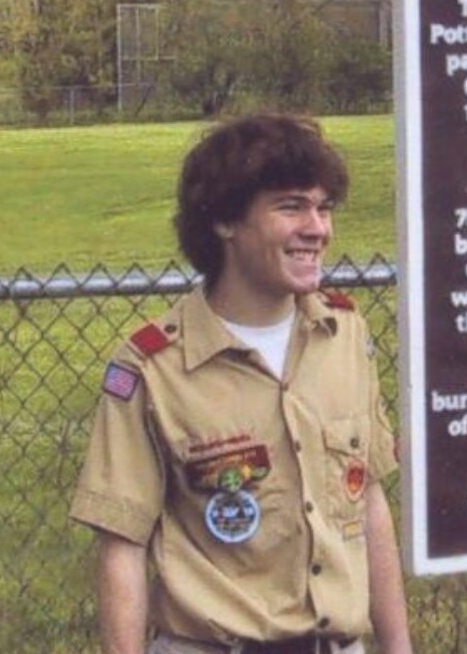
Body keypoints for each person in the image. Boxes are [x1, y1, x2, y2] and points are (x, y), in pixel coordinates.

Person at [70, 113, 413, 654]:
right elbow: (122, 546)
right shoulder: (154, 370)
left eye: (323, 208)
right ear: (226, 221)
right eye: (291, 206)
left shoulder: (345, 335)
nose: (317, 228)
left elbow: (368, 501)